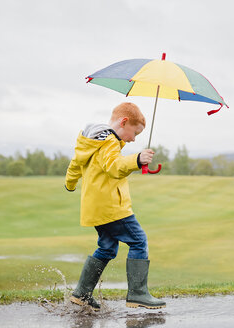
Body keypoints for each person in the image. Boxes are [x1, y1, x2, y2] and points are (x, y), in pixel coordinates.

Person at [65, 102, 165, 311]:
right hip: (112, 208)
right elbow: (114, 167)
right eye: (134, 133)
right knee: (138, 241)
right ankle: (138, 294)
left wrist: (70, 183)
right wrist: (137, 159)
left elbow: (76, 163)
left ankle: (82, 294)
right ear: (124, 122)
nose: (133, 139)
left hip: (96, 208)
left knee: (107, 247)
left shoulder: (92, 142)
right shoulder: (109, 142)